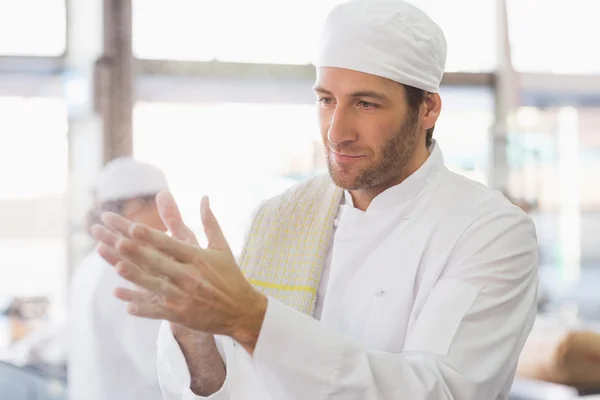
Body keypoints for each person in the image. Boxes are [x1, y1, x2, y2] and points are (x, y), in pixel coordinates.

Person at [91, 1, 539, 399]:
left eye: (365, 104)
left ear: (428, 109)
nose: (336, 132)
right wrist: (195, 332)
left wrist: (253, 321)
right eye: (326, 100)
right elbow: (230, 387)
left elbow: (438, 391)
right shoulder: (279, 217)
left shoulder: (489, 231)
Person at [68, 158, 168, 400]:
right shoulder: (124, 269)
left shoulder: (92, 265)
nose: (168, 218)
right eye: (163, 203)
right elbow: (159, 366)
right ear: (133, 206)